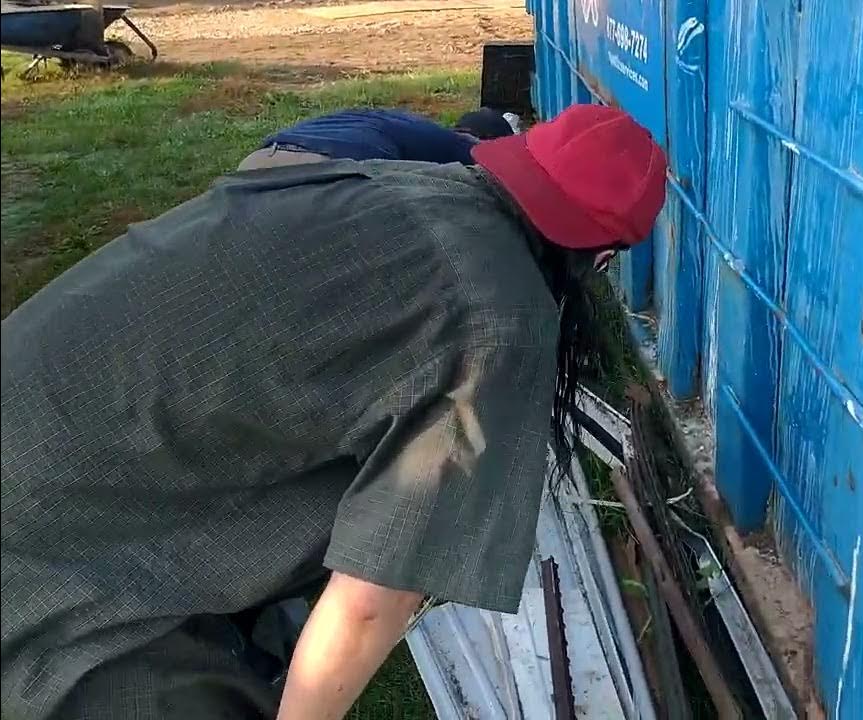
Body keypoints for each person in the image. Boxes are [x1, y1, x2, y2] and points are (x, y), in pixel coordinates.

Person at [1, 104, 666, 720]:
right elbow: (372, 601)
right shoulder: (497, 322)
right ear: (601, 258)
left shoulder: (381, 183)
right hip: (48, 544)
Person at [237, 106, 516, 171]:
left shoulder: (399, 122)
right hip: (332, 169)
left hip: (259, 159)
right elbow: (489, 163)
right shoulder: (456, 146)